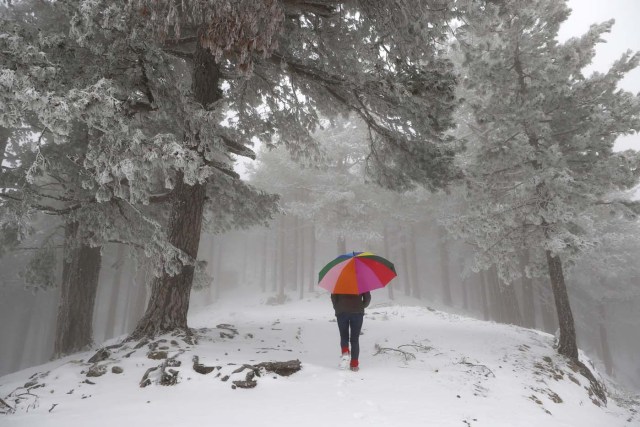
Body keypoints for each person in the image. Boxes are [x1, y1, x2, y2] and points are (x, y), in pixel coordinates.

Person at [331, 291, 371, 371]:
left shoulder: (338, 281)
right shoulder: (361, 280)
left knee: (344, 336)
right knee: (355, 339)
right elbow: (367, 299)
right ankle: (354, 365)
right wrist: (361, 305)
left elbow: (333, 297)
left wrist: (338, 307)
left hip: (341, 312)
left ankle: (345, 352)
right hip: (357, 312)